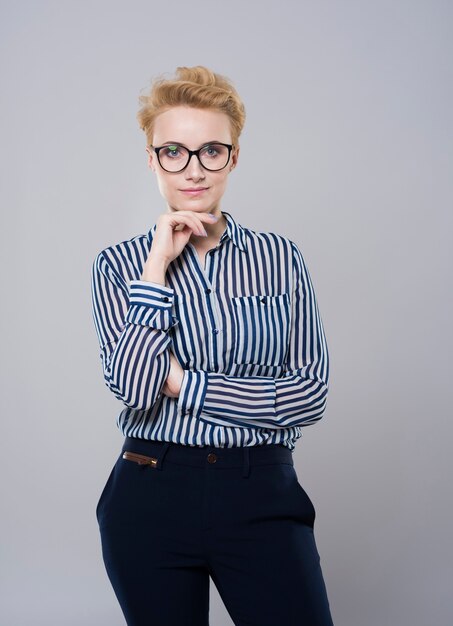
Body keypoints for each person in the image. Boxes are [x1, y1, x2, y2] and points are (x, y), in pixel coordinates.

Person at [91, 65, 334, 626]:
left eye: (211, 151)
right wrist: (155, 269)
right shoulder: (118, 266)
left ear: (234, 157)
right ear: (152, 159)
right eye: (173, 151)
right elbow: (132, 386)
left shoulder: (281, 259)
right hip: (150, 491)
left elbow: (307, 397)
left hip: (263, 491)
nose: (193, 169)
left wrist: (181, 381)